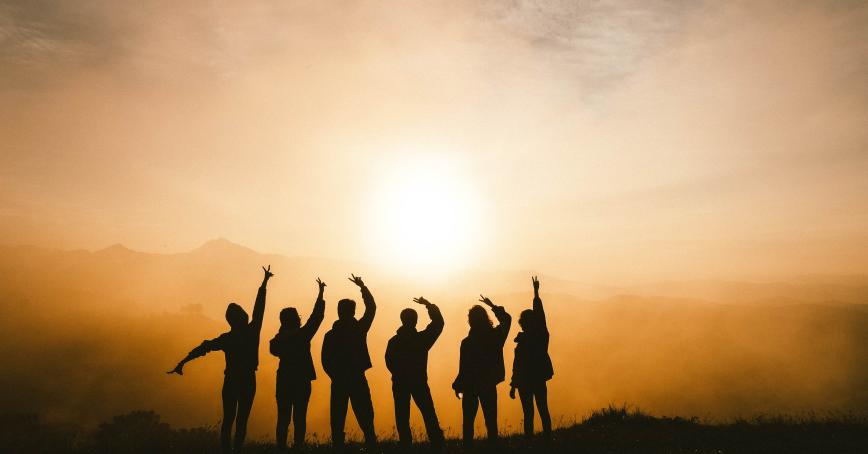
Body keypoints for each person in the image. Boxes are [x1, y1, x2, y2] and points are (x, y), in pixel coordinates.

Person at [167, 265, 274, 453]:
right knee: (241, 421)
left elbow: (204, 347)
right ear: (242, 317)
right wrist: (264, 283)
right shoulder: (252, 331)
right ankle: (237, 450)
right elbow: (259, 308)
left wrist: (183, 362)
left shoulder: (227, 339)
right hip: (248, 379)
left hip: (231, 380)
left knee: (228, 420)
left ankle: (226, 450)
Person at [321, 274, 378, 449]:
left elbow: (325, 360)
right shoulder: (359, 329)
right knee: (364, 414)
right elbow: (371, 308)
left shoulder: (332, 334)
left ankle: (338, 446)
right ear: (353, 312)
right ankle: (371, 444)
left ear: (339, 312)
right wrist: (363, 287)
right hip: (356, 377)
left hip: (339, 379)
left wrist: (335, 375)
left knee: (338, 416)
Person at [269, 277, 327, 450]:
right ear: (296, 319)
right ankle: (298, 447)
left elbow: (273, 349)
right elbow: (317, 317)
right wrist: (321, 294)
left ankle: (281, 447)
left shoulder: (278, 340)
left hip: (284, 380)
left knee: (283, 417)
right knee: (300, 417)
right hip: (302, 380)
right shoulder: (303, 335)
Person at [384, 297, 445, 450]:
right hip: (419, 382)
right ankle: (437, 444)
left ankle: (406, 445)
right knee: (428, 413)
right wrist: (429, 305)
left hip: (400, 382)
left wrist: (399, 374)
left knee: (402, 416)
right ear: (415, 321)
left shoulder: (394, 342)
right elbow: (438, 323)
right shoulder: (421, 340)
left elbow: (389, 361)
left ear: (402, 320)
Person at [452, 295, 511, 447]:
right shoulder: (495, 337)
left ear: (470, 321)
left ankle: (468, 448)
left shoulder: (467, 343)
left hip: (470, 386)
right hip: (488, 384)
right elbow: (507, 320)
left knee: (468, 422)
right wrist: (493, 306)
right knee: (491, 421)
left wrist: (458, 385)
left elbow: (463, 368)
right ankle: (493, 448)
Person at [509, 276, 553, 443]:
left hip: (524, 382)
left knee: (528, 413)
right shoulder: (541, 336)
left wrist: (514, 384)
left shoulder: (525, 341)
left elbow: (517, 366)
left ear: (522, 324)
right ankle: (547, 440)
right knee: (543, 410)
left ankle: (529, 442)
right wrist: (535, 293)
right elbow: (541, 316)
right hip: (538, 378)